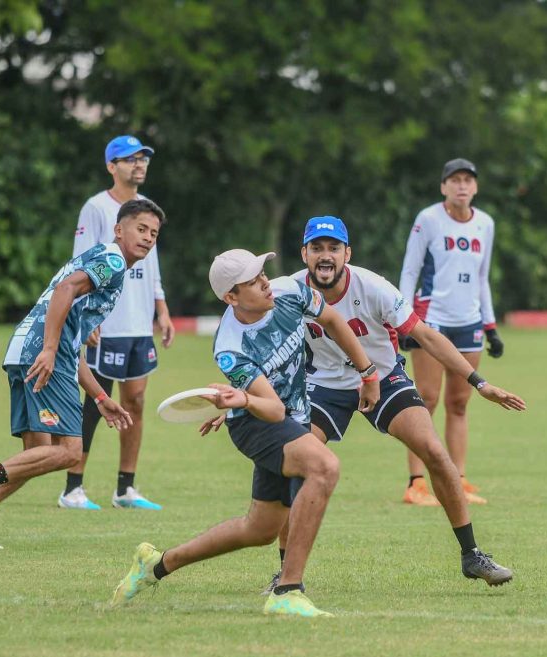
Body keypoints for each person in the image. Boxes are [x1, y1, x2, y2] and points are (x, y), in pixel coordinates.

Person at [257, 216, 525, 593]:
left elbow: (425, 336)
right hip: (323, 385)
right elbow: (250, 327)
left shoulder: (374, 287)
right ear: (304, 254)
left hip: (383, 378)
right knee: (296, 467)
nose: (325, 255)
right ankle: (286, 573)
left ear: (347, 254)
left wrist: (479, 382)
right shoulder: (288, 290)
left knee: (434, 451)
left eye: (333, 248)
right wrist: (240, 399)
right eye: (316, 248)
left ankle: (472, 555)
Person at [110, 248, 381, 618]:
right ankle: (288, 589)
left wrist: (367, 372)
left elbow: (332, 319)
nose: (265, 283)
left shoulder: (290, 292)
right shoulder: (231, 347)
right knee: (324, 467)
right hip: (256, 424)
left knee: (260, 530)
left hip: (293, 417)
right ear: (231, 297)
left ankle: (156, 564)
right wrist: (244, 400)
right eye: (252, 282)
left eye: (262, 274)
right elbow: (273, 410)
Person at [0, 200, 166, 549]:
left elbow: (74, 342)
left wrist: (100, 396)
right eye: (141, 229)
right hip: (45, 353)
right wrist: (49, 349)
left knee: (36, 455)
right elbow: (64, 292)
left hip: (24, 350)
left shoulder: (102, 262)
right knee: (69, 452)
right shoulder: (112, 261)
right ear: (118, 229)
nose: (148, 238)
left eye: (154, 233)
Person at [59, 135, 174, 512]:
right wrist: (85, 315)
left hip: (139, 324)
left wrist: (161, 309)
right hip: (106, 322)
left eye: (143, 159)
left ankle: (126, 489)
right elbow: (80, 264)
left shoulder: (147, 209)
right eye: (130, 159)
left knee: (135, 401)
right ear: (112, 166)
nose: (139, 165)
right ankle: (73, 488)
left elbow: (151, 265)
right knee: (95, 402)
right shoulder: (96, 208)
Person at [398, 158, 503, 506]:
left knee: (459, 403)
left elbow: (482, 277)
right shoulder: (428, 220)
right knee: (425, 400)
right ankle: (417, 482)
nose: (462, 186)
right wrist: (403, 317)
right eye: (455, 180)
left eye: (468, 180)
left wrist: (490, 326)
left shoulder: (485, 223)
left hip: (469, 321)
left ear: (475, 187)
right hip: (431, 320)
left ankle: (459, 479)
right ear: (443, 186)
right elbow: (410, 270)